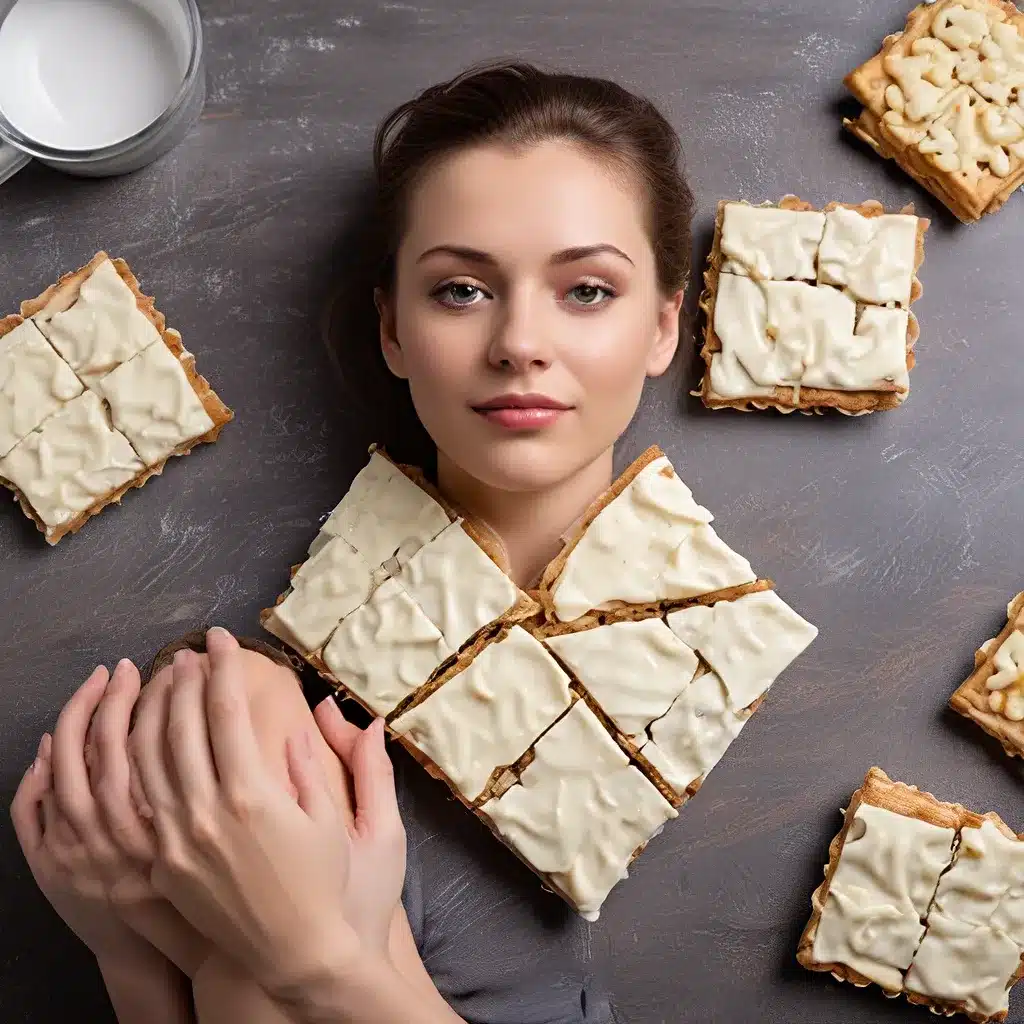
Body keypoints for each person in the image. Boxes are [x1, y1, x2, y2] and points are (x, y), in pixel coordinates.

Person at [10, 58, 694, 1023]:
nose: (520, 344)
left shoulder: (694, 687)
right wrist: (139, 952)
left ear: (665, 324)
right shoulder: (257, 722)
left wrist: (311, 962)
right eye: (461, 290)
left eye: (586, 291)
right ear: (393, 331)